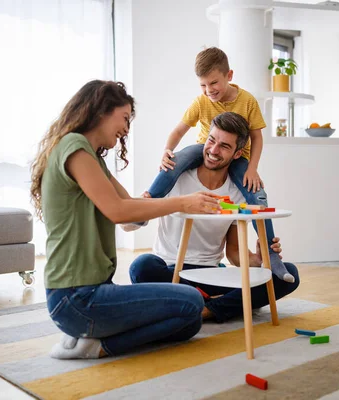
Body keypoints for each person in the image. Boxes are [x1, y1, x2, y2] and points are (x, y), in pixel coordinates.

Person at [29, 80, 222, 359]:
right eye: (124, 117)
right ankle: (97, 346)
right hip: (76, 298)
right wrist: (183, 201)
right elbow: (118, 211)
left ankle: (89, 335)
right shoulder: (74, 147)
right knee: (191, 300)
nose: (126, 129)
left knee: (190, 320)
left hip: (90, 293)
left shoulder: (92, 157)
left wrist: (167, 198)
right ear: (101, 111)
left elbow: (129, 210)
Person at [140, 47, 294, 283]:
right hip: (199, 148)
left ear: (229, 76)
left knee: (257, 194)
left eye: (213, 83)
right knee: (177, 160)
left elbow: (257, 137)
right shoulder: (201, 102)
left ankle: (271, 255)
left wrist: (252, 168)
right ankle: (145, 204)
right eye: (203, 85)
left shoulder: (247, 101)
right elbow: (179, 130)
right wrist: (166, 152)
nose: (209, 90)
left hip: (240, 158)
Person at [130, 112, 300, 323]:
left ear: (237, 154)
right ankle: (214, 303)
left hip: (209, 273)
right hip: (169, 271)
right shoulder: (174, 176)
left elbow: (234, 253)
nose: (213, 150)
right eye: (211, 140)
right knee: (142, 266)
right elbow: (128, 227)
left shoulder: (237, 192)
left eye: (224, 146)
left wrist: (258, 261)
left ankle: (205, 309)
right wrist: (140, 204)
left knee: (288, 274)